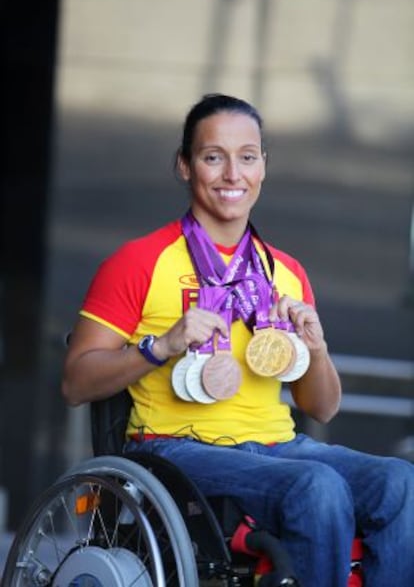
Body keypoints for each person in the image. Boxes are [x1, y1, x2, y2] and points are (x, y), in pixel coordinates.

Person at [63, 93, 414, 587]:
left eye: (247, 157)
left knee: (400, 482)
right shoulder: (140, 261)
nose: (233, 174)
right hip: (177, 448)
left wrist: (315, 347)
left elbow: (323, 408)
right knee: (316, 487)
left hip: (277, 445)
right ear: (185, 166)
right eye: (213, 157)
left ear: (263, 167)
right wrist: (159, 346)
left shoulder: (285, 272)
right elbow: (75, 383)